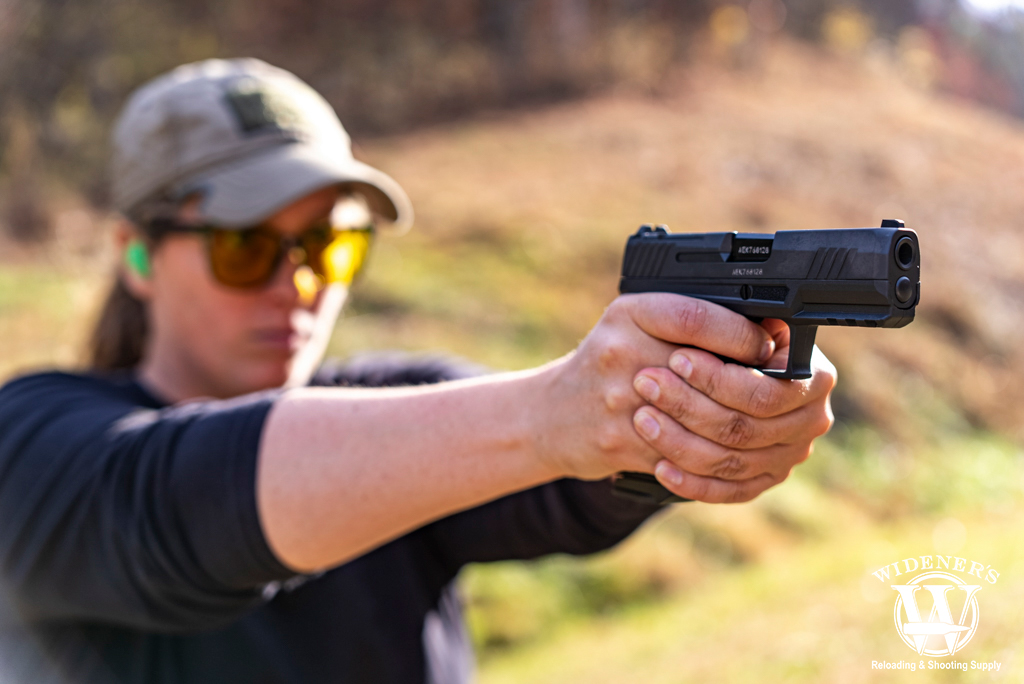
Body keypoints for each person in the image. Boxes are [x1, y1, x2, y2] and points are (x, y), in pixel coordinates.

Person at [0, 59, 836, 684]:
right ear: (135, 256)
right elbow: (172, 504)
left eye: (329, 243)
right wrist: (553, 417)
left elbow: (567, 490)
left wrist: (680, 413)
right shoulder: (33, 443)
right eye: (245, 245)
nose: (299, 284)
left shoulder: (400, 410)